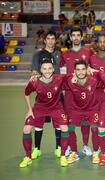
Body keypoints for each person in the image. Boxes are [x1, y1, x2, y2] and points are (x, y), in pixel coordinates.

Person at [19, 59, 69, 168]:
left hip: (56, 107)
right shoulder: (35, 81)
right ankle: (28, 156)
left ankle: (63, 155)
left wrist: (88, 69)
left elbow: (75, 74)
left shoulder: (59, 78)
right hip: (39, 108)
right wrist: (29, 109)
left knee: (65, 128)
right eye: (44, 69)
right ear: (40, 70)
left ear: (53, 69)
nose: (47, 71)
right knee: (26, 130)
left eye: (50, 68)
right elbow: (26, 93)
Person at [60, 28, 94, 157]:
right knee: (70, 121)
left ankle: (85, 145)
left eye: (78, 35)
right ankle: (70, 146)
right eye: (73, 35)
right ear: (70, 38)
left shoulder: (88, 52)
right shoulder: (65, 54)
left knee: (85, 120)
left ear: (81, 38)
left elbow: (92, 69)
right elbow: (58, 70)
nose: (75, 37)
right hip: (70, 92)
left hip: (85, 92)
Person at [30, 30, 62, 159]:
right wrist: (34, 77)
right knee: (39, 123)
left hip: (57, 94)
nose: (50, 41)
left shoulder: (59, 54)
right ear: (44, 40)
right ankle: (37, 149)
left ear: (55, 40)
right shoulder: (38, 55)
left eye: (53, 38)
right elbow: (33, 72)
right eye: (48, 38)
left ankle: (58, 148)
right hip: (43, 95)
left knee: (58, 122)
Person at [62, 60, 99, 164]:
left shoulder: (94, 80)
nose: (81, 72)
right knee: (70, 128)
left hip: (92, 109)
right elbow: (55, 78)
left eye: (83, 69)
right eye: (78, 70)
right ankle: (74, 152)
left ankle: (96, 152)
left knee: (95, 129)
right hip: (76, 109)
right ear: (74, 71)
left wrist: (93, 70)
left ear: (87, 70)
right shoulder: (70, 81)